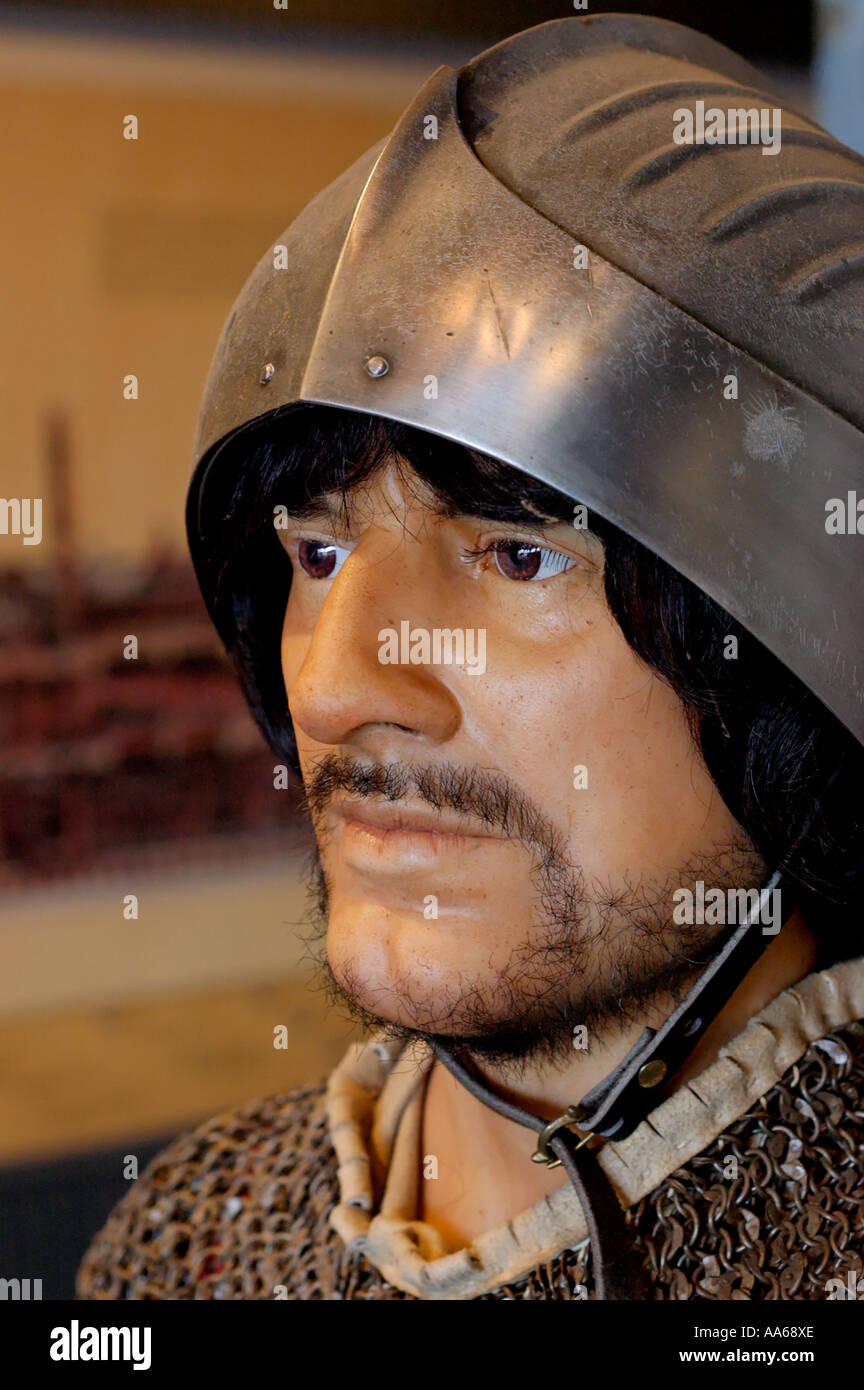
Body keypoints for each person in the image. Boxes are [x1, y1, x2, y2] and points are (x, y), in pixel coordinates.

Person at [77, 13, 864, 1300]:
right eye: (318, 559)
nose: (334, 688)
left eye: (516, 557)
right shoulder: (187, 1247)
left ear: (797, 658)